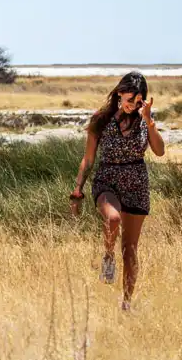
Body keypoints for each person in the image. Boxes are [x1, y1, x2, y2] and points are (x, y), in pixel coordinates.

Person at [69, 71, 165, 310]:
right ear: (120, 93)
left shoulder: (145, 120)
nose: (133, 105)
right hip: (107, 179)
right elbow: (88, 158)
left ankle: (126, 304)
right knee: (112, 219)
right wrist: (78, 189)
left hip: (137, 184)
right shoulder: (101, 119)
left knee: (130, 251)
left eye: (138, 100)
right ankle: (108, 256)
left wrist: (149, 121)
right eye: (130, 99)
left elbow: (160, 151)